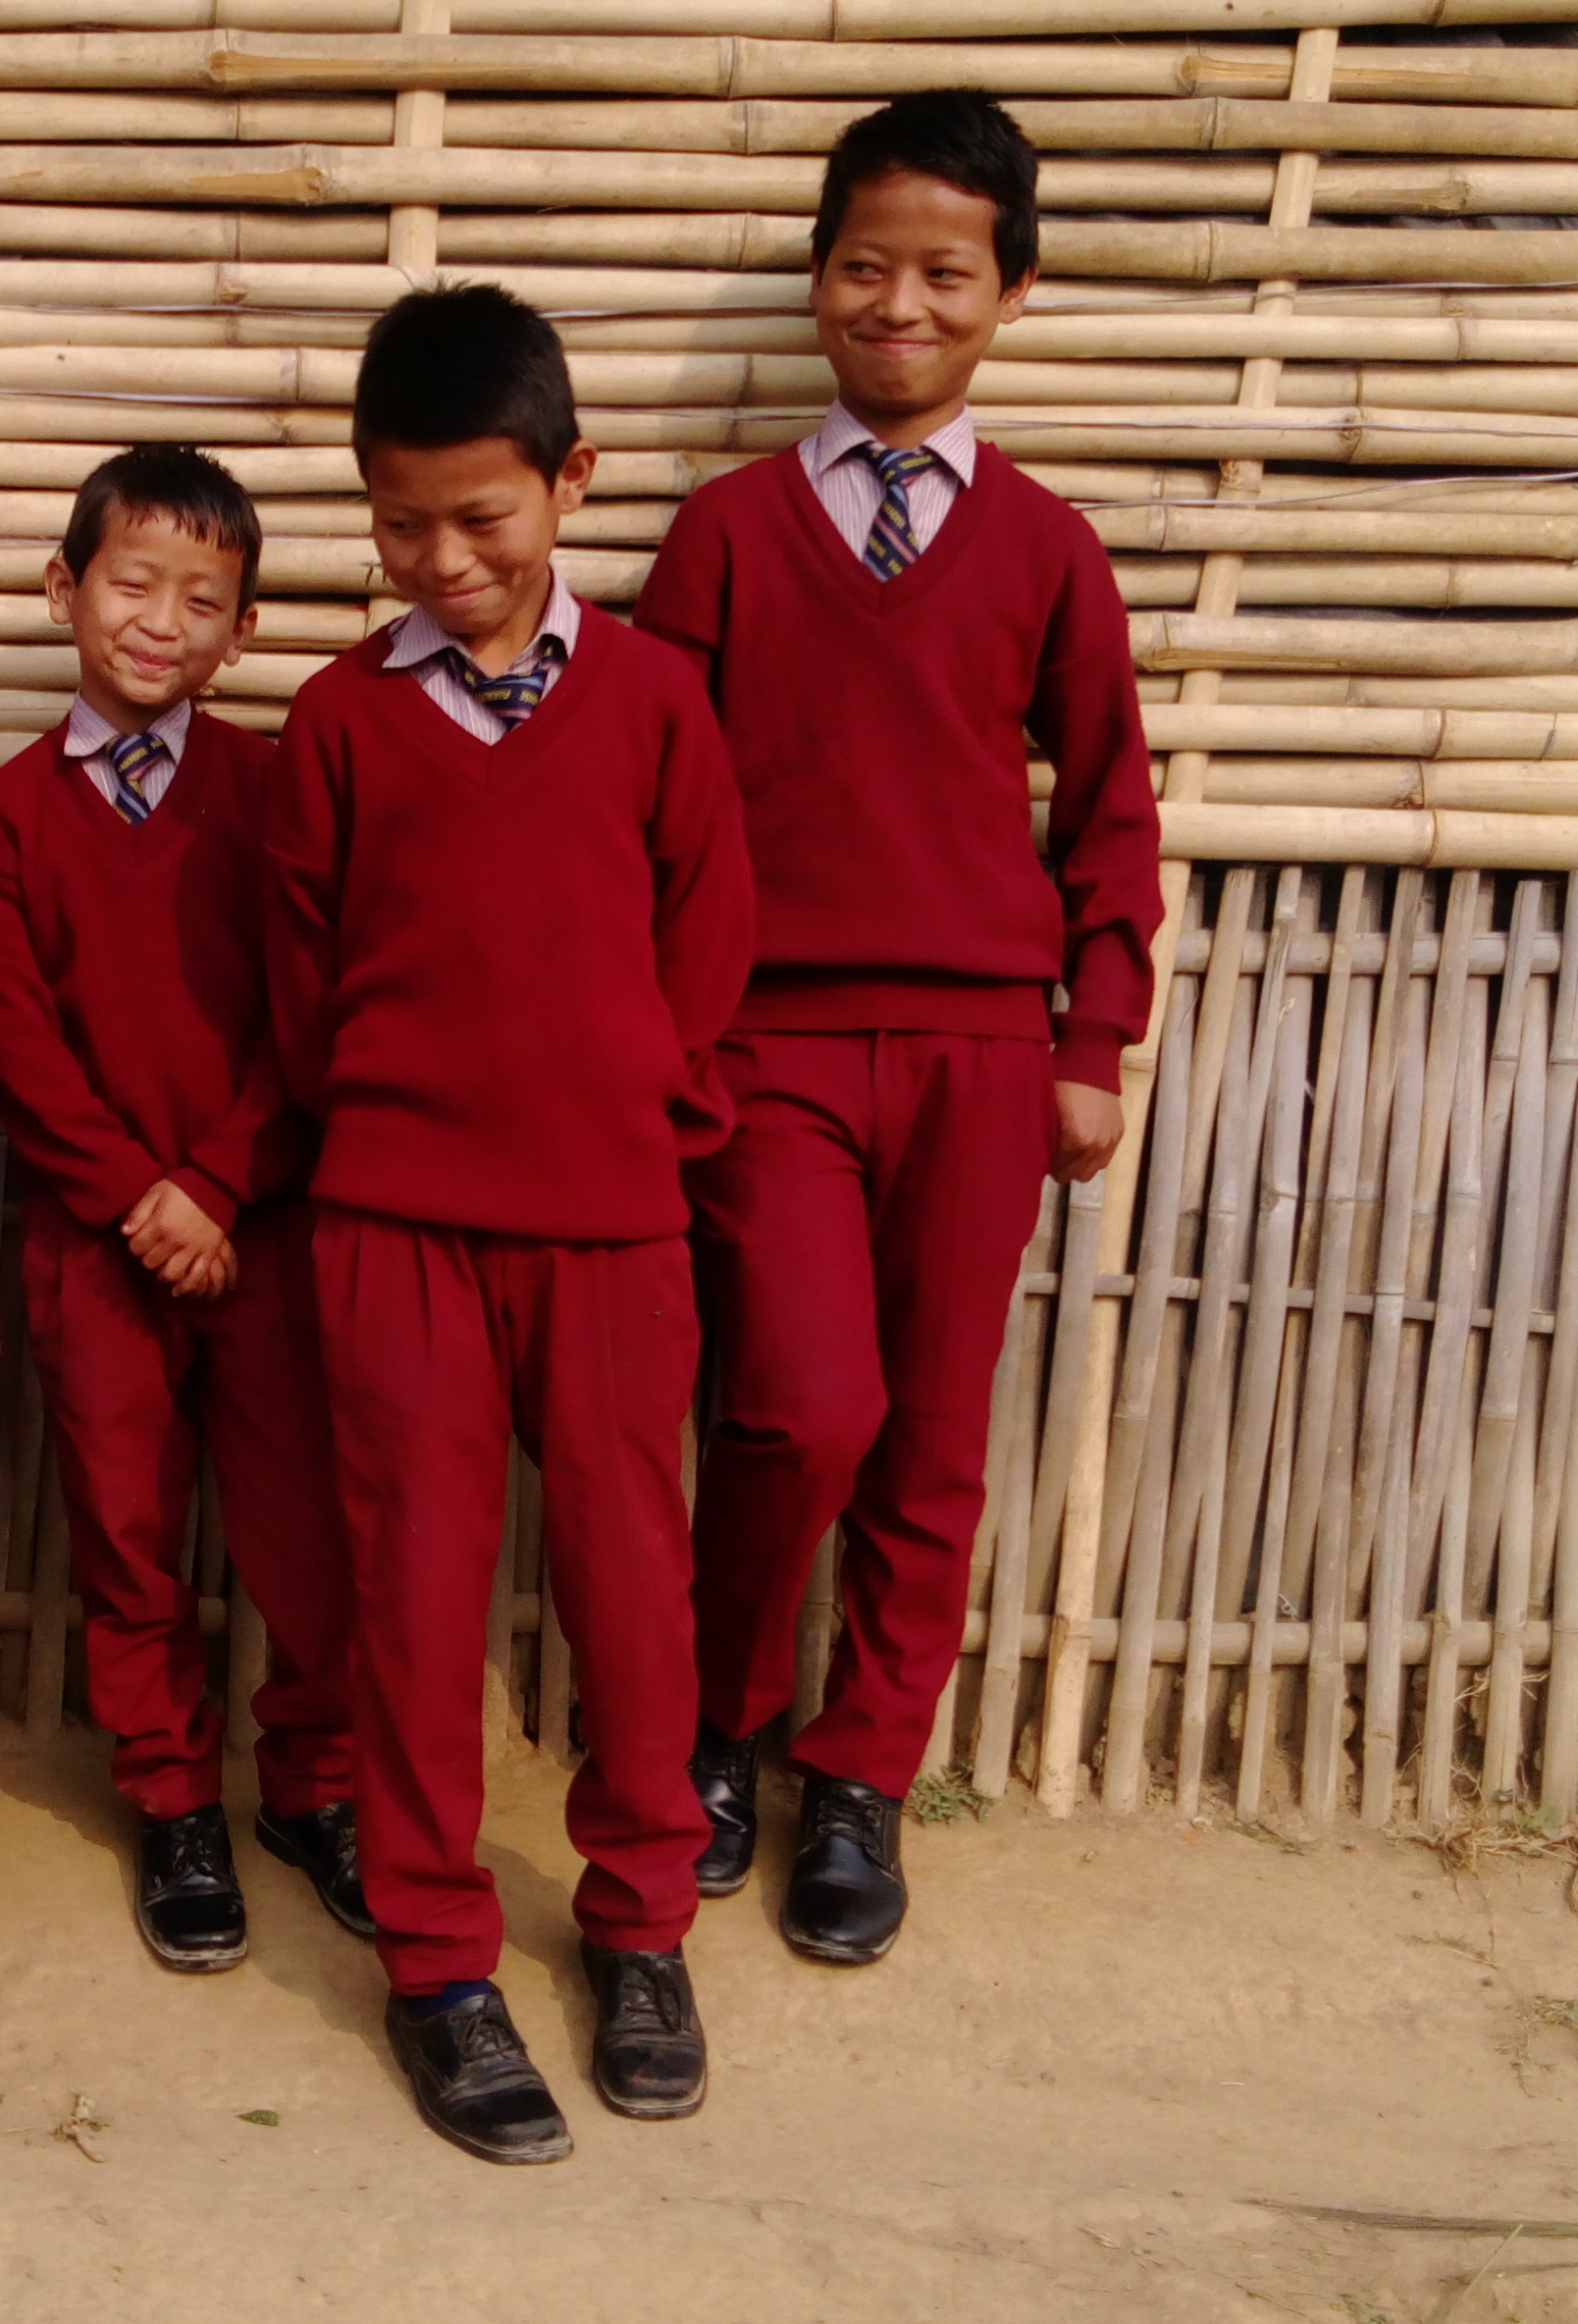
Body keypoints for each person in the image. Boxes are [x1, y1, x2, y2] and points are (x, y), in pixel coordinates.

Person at [635, 90, 1162, 1969]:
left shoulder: (1043, 548)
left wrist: (1094, 1036)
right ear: (816, 281)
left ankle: (862, 1776)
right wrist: (668, 1040)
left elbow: (1109, 803)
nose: (901, 300)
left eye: (947, 269)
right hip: (767, 1053)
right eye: (867, 264)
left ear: (1009, 292)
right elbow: (652, 810)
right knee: (796, 1407)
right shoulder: (720, 537)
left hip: (980, 1059)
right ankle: (717, 1729)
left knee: (932, 1430)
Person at [264, 287, 754, 2165]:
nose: (445, 559)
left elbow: (709, 955)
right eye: (402, 524)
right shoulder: (335, 723)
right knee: (411, 1594)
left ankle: (639, 1922)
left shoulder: (654, 707)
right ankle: (438, 1958)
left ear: (572, 483)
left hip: (614, 1233)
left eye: (485, 516)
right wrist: (384, 1134)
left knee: (637, 1592)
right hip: (393, 1229)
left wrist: (645, 1125)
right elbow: (301, 983)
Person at [0, 446, 367, 1973]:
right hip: (95, 1244)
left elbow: (308, 1012)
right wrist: (138, 1196)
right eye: (132, 583)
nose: (161, 623)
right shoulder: (3, 818)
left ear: (242, 634)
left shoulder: (272, 791)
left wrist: (217, 1182)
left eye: (205, 602)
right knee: (127, 1533)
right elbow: (20, 1040)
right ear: (68, 589)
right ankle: (173, 1797)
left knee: (306, 1530)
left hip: (261, 1228)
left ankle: (315, 1786)